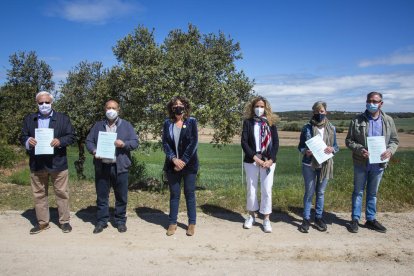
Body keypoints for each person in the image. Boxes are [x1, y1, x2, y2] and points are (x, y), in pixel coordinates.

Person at [21, 91, 76, 234]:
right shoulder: (29, 119)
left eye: (47, 102)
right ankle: (43, 223)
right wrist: (28, 141)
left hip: (58, 163)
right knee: (39, 194)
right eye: (41, 103)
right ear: (37, 103)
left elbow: (71, 136)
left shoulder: (63, 119)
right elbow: (23, 136)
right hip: (37, 163)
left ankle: (64, 222)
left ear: (52, 102)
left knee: (62, 193)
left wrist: (60, 141)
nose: (44, 105)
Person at [345, 92, 399, 233]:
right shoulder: (357, 120)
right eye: (370, 101)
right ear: (366, 102)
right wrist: (360, 149)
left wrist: (390, 151)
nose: (372, 103)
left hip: (379, 164)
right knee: (358, 192)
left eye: (375, 101)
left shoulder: (388, 120)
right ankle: (355, 220)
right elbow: (349, 140)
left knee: (373, 193)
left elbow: (394, 140)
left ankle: (370, 219)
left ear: (381, 103)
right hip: (361, 162)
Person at [86, 100, 138, 234]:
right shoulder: (98, 126)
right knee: (102, 196)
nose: (111, 110)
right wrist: (94, 151)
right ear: (104, 109)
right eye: (108, 107)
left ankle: (120, 221)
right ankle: (102, 221)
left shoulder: (126, 125)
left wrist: (124, 144)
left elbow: (135, 142)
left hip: (120, 166)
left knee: (121, 196)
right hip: (102, 166)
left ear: (118, 110)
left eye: (113, 108)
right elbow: (89, 141)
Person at [297, 101, 339, 233]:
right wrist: (306, 151)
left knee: (320, 193)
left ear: (326, 112)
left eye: (321, 111)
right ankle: (306, 219)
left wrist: (332, 148)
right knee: (309, 193)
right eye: (316, 111)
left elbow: (336, 146)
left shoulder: (332, 128)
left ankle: (319, 217)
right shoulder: (307, 128)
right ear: (313, 112)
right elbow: (300, 146)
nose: (319, 114)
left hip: (325, 164)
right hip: (309, 164)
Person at [241, 96, 279, 233]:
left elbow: (275, 143)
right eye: (257, 106)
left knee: (267, 189)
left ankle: (266, 219)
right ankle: (251, 216)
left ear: (266, 108)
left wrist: (270, 160)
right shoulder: (248, 123)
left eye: (262, 106)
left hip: (268, 162)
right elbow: (244, 142)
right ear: (252, 108)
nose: (259, 109)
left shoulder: (271, 123)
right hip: (252, 160)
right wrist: (256, 159)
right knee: (251, 189)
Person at [162, 96, 199, 236]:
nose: (178, 107)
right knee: (174, 195)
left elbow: (194, 142)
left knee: (189, 194)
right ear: (172, 108)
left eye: (180, 104)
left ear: (185, 106)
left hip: (189, 165)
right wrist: (173, 159)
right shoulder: (167, 123)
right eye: (175, 105)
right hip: (172, 165)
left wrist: (183, 160)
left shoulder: (191, 122)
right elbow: (165, 143)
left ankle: (191, 223)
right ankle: (172, 223)